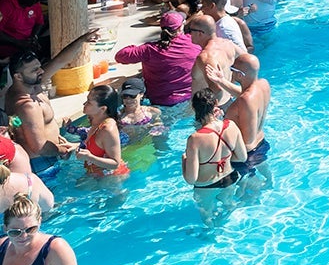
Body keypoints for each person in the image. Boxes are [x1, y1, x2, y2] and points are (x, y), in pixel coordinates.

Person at [5, 29, 99, 164]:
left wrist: (82, 40)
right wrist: (64, 150)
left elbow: (60, 61)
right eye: (34, 70)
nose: (41, 71)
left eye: (39, 67)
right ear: (18, 76)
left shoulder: (32, 85)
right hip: (42, 163)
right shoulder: (27, 105)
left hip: (50, 155)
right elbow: (39, 147)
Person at [113, 11, 199, 113]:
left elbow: (120, 56)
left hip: (158, 102)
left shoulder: (149, 50)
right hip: (188, 100)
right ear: (181, 27)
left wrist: (136, 48)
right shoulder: (194, 42)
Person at [183, 90, 248, 197]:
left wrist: (184, 159)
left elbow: (191, 179)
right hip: (230, 177)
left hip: (207, 185)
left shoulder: (195, 139)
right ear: (216, 103)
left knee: (207, 213)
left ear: (193, 108)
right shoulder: (231, 125)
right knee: (230, 206)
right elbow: (242, 157)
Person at [227, 53, 271, 177]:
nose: (231, 72)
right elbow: (246, 95)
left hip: (247, 156)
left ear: (240, 75)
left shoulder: (245, 100)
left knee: (245, 194)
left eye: (232, 69)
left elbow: (247, 141)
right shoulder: (263, 85)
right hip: (262, 144)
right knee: (266, 181)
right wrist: (220, 81)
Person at [75, 86, 129, 179]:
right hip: (96, 174)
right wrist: (72, 146)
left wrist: (89, 157)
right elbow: (95, 146)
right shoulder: (96, 121)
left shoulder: (108, 129)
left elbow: (115, 163)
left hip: (112, 178)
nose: (84, 104)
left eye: (89, 102)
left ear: (103, 109)